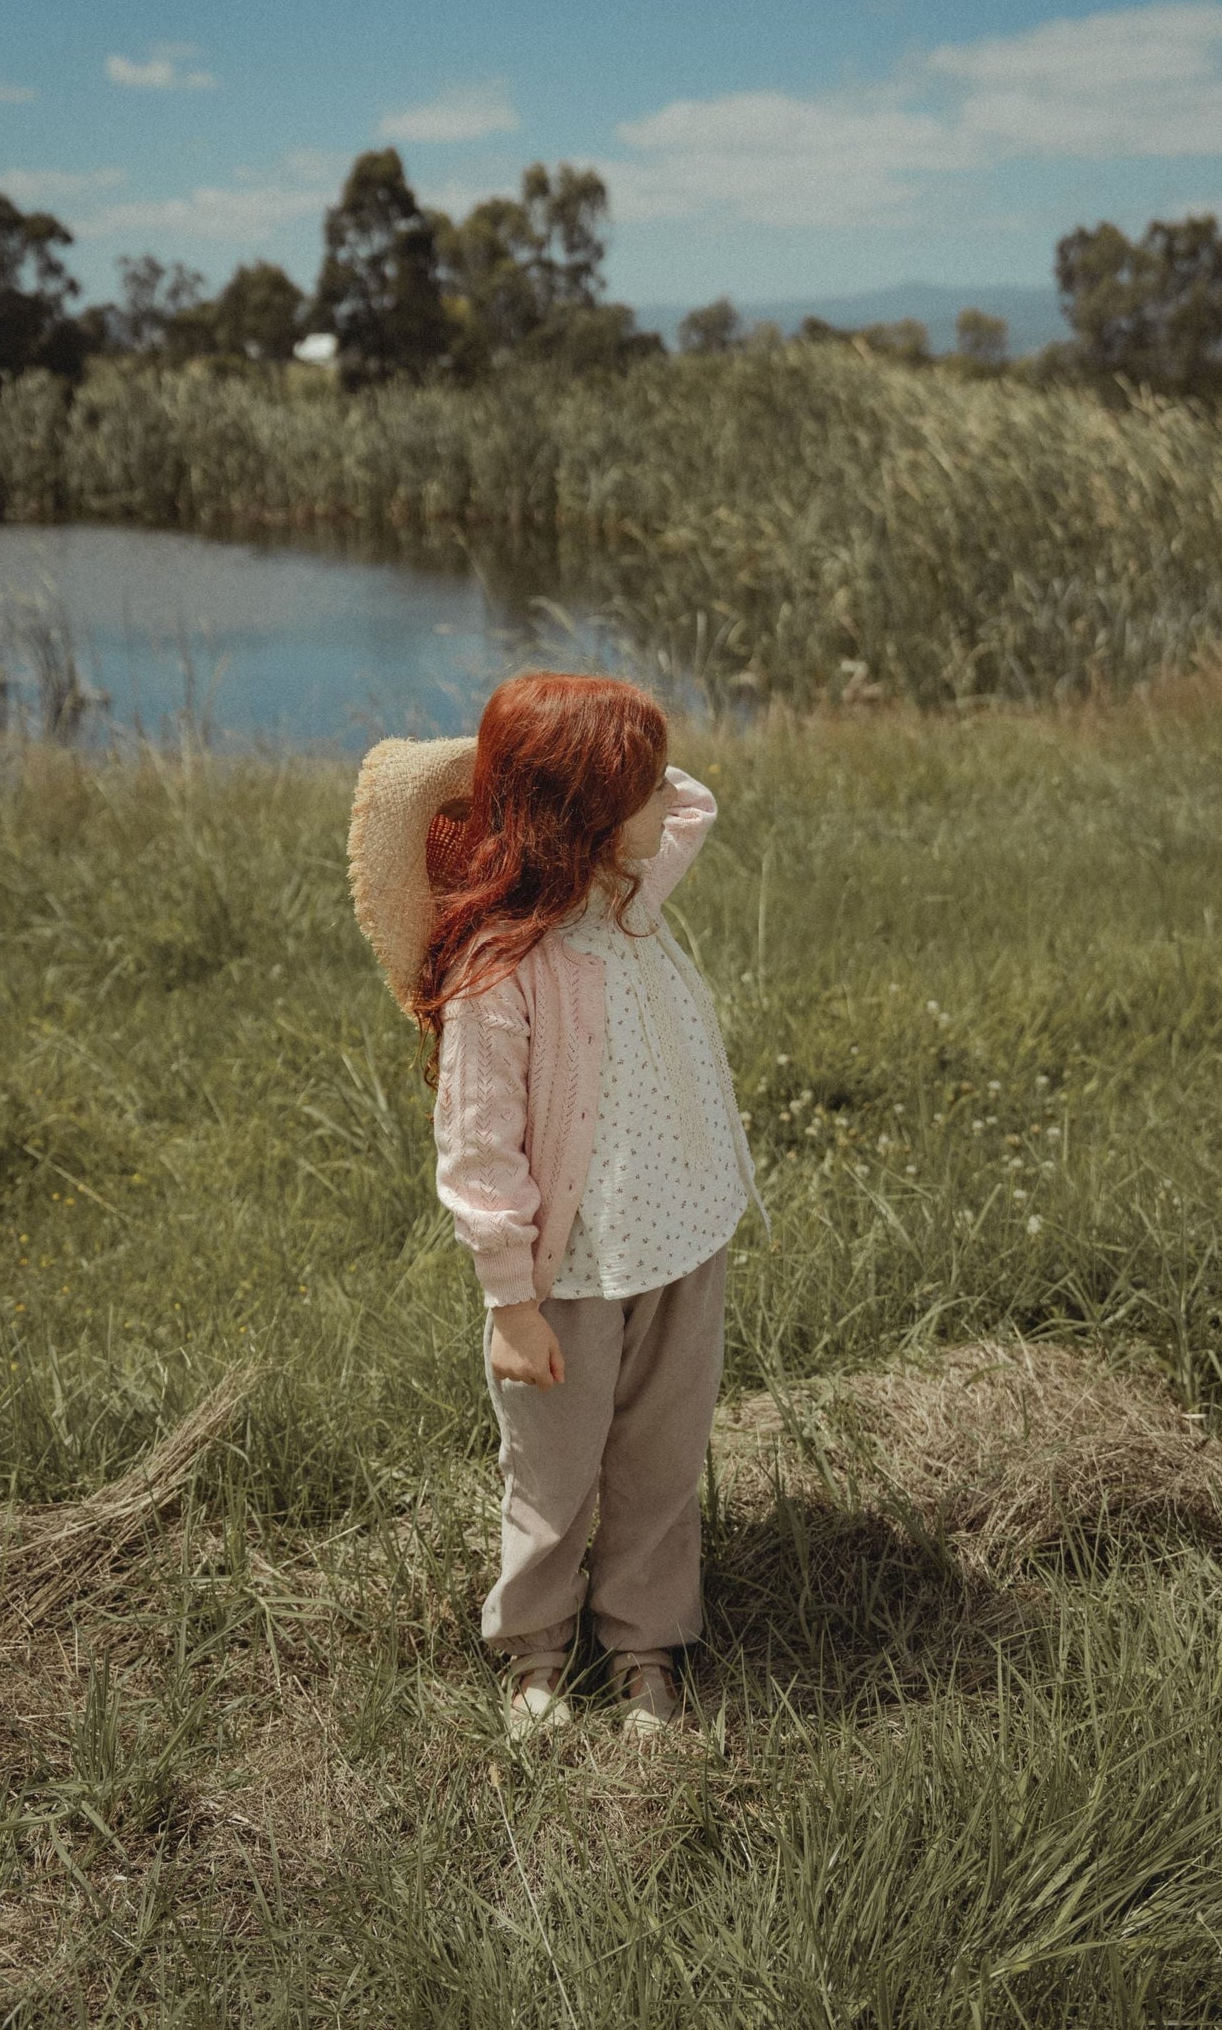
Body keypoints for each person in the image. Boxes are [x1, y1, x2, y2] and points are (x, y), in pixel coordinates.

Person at [346, 672, 764, 1743]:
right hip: (564, 1271)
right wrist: (509, 1300)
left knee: (661, 1456)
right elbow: (478, 1148)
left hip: (679, 1234)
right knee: (553, 1469)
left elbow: (691, 798)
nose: (654, 806)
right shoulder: (502, 967)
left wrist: (581, 759)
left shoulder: (630, 892)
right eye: (626, 789)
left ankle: (644, 1645)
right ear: (577, 816)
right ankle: (534, 1647)